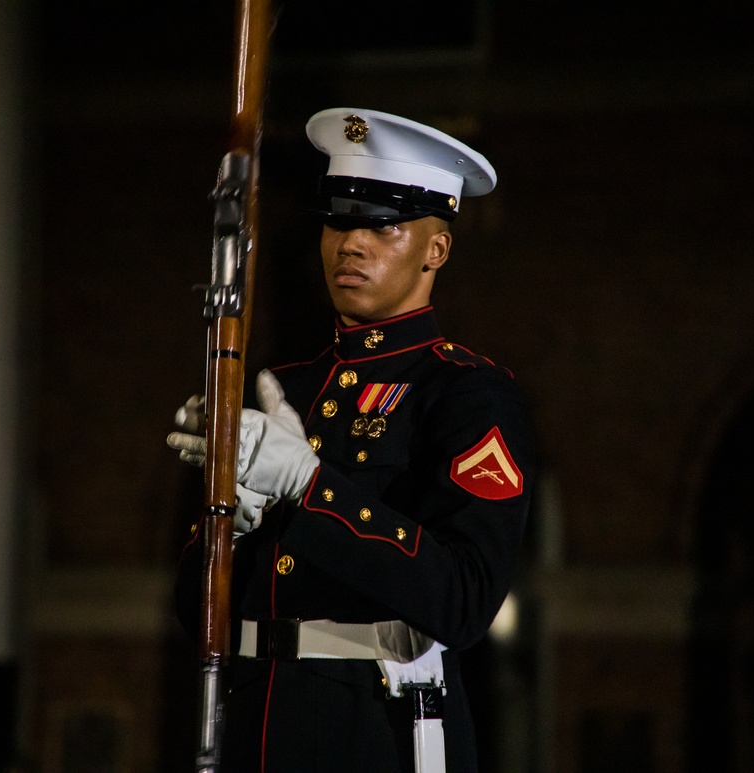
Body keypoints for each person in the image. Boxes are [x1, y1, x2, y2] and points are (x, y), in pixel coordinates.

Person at [167, 107, 534, 771]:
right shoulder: (285, 388)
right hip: (252, 724)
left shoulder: (464, 393)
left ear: (436, 248)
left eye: (382, 224)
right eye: (339, 219)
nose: (352, 243)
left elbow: (464, 599)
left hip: (376, 729)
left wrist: (309, 488)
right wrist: (234, 527)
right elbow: (194, 609)